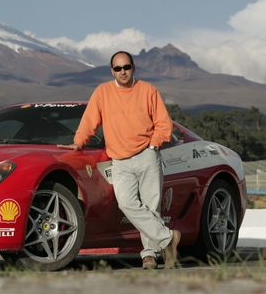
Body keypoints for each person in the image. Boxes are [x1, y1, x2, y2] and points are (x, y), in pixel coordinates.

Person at [58, 50, 180, 270]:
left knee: (152, 208)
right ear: (111, 71)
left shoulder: (148, 90)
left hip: (147, 156)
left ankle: (149, 255)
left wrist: (154, 145)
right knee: (127, 203)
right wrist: (79, 142)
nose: (123, 72)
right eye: (118, 68)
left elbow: (164, 123)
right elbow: (89, 122)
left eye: (126, 67)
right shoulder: (102, 92)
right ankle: (168, 238)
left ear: (133, 68)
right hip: (120, 160)